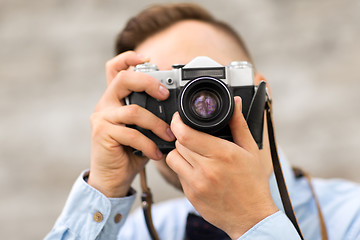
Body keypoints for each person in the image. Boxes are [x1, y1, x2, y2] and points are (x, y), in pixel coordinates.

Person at [45, 3, 360, 240]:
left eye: (212, 86)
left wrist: (252, 221)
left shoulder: (351, 217)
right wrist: (105, 188)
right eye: (166, 96)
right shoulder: (138, 232)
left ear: (261, 95)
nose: (196, 111)